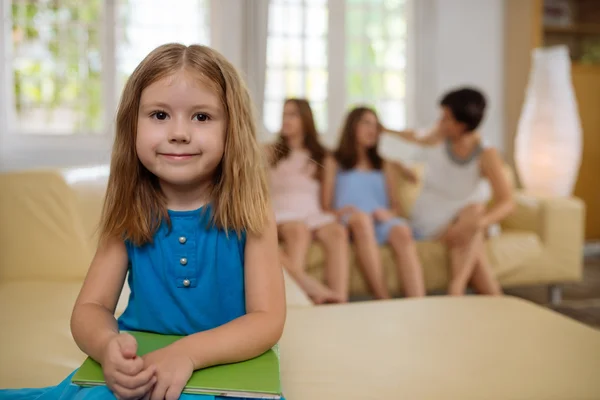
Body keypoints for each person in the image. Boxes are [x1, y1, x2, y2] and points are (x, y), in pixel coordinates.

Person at [0, 43, 286, 400]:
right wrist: (108, 347)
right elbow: (91, 308)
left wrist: (188, 353)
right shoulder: (129, 207)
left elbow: (267, 319)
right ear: (132, 123)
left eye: (201, 117)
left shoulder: (251, 209)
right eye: (159, 115)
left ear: (233, 129)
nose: (179, 132)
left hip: (226, 371)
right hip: (140, 369)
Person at [383, 87, 513, 296]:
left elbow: (507, 202)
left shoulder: (486, 154)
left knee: (474, 217)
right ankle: (479, 295)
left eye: (446, 118)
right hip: (432, 220)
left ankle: (457, 290)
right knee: (474, 229)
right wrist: (385, 129)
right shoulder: (437, 137)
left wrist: (478, 223)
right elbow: (414, 135)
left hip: (468, 219)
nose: (440, 123)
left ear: (461, 126)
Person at [322, 106, 426, 300]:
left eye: (376, 126)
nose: (372, 130)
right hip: (351, 219)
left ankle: (418, 302)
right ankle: (383, 298)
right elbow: (325, 206)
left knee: (402, 231)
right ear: (352, 126)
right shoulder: (334, 162)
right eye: (366, 123)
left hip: (380, 221)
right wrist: (339, 212)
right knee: (362, 220)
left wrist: (389, 214)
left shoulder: (384, 164)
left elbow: (396, 207)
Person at [267, 99, 350, 305]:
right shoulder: (270, 152)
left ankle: (338, 299)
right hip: (282, 211)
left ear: (305, 119)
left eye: (292, 115)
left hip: (312, 212)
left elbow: (325, 203)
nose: (286, 120)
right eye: (284, 115)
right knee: (298, 231)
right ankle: (294, 297)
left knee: (338, 233)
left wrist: (337, 213)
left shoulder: (324, 157)